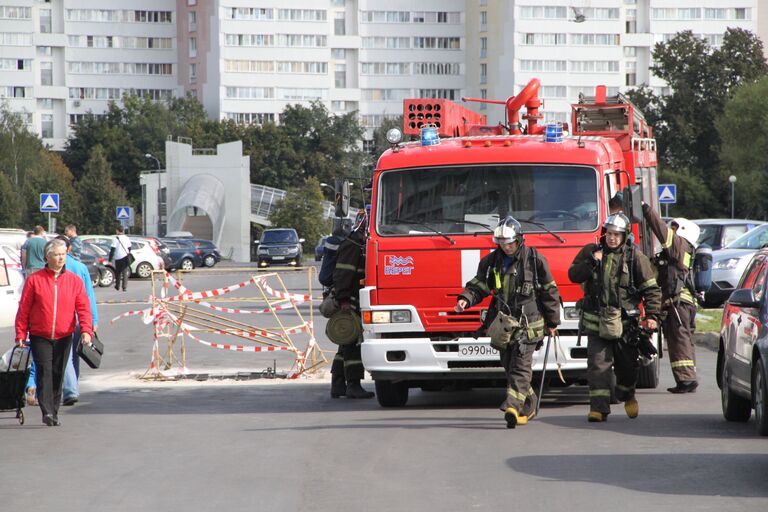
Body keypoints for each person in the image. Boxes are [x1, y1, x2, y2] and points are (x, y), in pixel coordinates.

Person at [455, 216, 561, 428]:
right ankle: (529, 404)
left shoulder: (535, 260)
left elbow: (550, 291)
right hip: (503, 324)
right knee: (509, 366)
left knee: (521, 366)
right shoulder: (491, 261)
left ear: (519, 239)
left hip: (529, 325)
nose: (506, 247)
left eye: (509, 243)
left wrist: (553, 321)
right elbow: (479, 285)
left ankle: (512, 406)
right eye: (501, 243)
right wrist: (465, 299)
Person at [568, 213, 662, 422]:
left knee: (627, 367)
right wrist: (592, 262)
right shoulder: (590, 252)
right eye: (609, 234)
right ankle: (598, 409)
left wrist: (653, 315)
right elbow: (573, 275)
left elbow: (651, 290)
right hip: (596, 322)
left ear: (624, 235)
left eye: (616, 235)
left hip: (626, 324)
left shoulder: (635, 257)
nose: (612, 238)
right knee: (597, 366)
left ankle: (627, 394)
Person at [15, 238, 93, 426]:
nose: (60, 258)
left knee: (58, 372)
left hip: (65, 334)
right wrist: (20, 333)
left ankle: (54, 410)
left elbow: (83, 307)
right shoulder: (35, 280)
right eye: (56, 255)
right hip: (40, 334)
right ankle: (47, 410)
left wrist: (86, 330)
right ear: (47, 257)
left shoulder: (73, 281)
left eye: (63, 254)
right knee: (44, 371)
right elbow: (24, 308)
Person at [642, 203, 701, 393]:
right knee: (684, 340)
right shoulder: (685, 250)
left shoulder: (679, 244)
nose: (671, 232)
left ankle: (686, 380)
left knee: (679, 341)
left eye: (675, 229)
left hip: (679, 303)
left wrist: (645, 209)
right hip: (685, 303)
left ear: (683, 231)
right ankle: (688, 377)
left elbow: (660, 229)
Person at [329, 209, 375, 399]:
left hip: (354, 299)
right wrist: (344, 301)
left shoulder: (362, 243)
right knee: (353, 343)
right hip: (350, 301)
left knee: (345, 343)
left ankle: (338, 384)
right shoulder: (353, 244)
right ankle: (353, 385)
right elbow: (342, 274)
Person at [109, 225, 132, 292]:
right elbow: (129, 247)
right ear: (123, 231)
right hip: (125, 257)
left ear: (118, 231)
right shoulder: (127, 238)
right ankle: (124, 287)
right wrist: (128, 253)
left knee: (118, 272)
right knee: (125, 272)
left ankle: (117, 286)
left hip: (118, 257)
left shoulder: (116, 238)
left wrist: (110, 259)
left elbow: (112, 249)